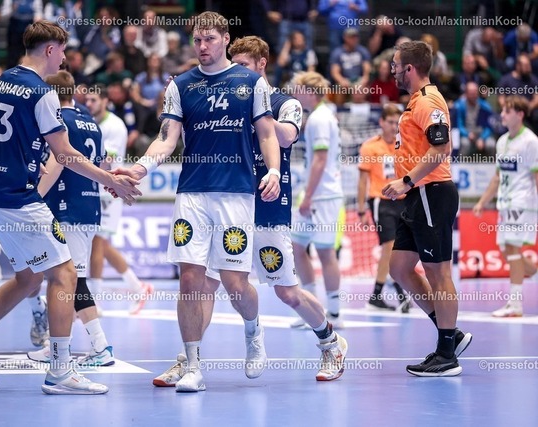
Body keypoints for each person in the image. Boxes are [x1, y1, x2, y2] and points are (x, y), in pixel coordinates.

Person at [0, 21, 140, 394]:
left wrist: (22, 152)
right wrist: (110, 179)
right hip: (19, 197)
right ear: (50, 50)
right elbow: (64, 155)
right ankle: (60, 371)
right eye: (62, 51)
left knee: (29, 278)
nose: (64, 58)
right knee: (65, 274)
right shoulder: (43, 94)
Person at [153, 35, 348, 388]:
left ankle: (330, 341)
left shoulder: (286, 103)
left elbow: (285, 137)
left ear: (261, 65)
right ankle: (188, 360)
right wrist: (187, 99)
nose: (235, 72)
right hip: (226, 201)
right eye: (233, 65)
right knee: (204, 284)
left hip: (267, 206)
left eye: (243, 66)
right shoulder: (220, 94)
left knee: (287, 292)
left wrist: (252, 109)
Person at [116, 11, 281, 392]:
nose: (202, 46)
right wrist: (139, 168)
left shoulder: (251, 82)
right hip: (192, 192)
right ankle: (192, 364)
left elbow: (267, 134)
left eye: (209, 39)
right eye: (197, 40)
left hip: (236, 192)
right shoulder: (181, 85)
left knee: (235, 282)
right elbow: (166, 139)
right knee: (190, 278)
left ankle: (253, 330)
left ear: (225, 39)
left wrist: (272, 170)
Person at [382, 41, 472, 376]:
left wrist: (406, 181)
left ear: (410, 68)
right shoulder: (415, 102)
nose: (392, 70)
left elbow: (441, 149)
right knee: (399, 268)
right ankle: (451, 333)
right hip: (417, 196)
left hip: (431, 193)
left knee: (438, 272)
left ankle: (447, 355)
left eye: (395, 65)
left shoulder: (428, 101)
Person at [26, 71, 116, 366]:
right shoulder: (91, 121)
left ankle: (99, 347)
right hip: (88, 207)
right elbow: (104, 163)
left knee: (72, 281)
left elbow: (57, 164)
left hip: (67, 209)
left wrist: (33, 198)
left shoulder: (58, 122)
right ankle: (56, 344)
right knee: (64, 278)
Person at [85, 86, 154, 315]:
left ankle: (93, 301)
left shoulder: (115, 126)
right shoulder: (89, 122)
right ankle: (138, 288)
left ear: (105, 101)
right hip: (94, 188)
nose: (89, 104)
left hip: (109, 191)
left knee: (97, 242)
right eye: (87, 100)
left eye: (94, 100)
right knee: (101, 245)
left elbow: (105, 161)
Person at [473, 95, 538, 317]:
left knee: (513, 248)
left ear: (520, 115)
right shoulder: (501, 141)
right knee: (506, 251)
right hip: (505, 203)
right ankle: (534, 275)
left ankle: (515, 304)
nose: (502, 115)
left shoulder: (531, 141)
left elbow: (537, 176)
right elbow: (497, 177)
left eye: (507, 111)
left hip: (523, 202)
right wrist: (482, 201)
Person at [289, 71, 344, 329]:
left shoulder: (320, 118)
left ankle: (335, 313)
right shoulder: (318, 116)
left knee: (325, 251)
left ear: (310, 92)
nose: (294, 93)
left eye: (298, 89)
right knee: (297, 247)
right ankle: (311, 307)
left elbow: (320, 160)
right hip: (315, 193)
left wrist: (308, 196)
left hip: (323, 196)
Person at [357, 103, 409, 311]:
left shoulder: (403, 145)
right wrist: (361, 209)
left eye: (397, 123)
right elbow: (363, 181)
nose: (393, 126)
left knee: (400, 249)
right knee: (389, 246)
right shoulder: (370, 147)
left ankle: (380, 296)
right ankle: (395, 294)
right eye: (390, 122)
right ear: (381, 122)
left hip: (403, 200)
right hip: (381, 201)